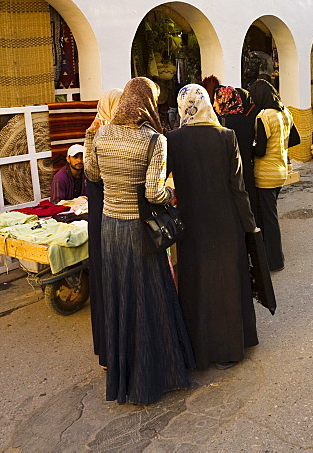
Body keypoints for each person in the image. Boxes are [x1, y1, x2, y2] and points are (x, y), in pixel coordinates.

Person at [84, 77, 193, 405]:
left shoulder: (102, 134)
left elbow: (92, 175)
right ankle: (156, 374)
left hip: (109, 228)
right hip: (139, 230)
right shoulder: (153, 140)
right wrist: (171, 193)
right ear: (149, 103)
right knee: (149, 297)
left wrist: (90, 136)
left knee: (120, 295)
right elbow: (153, 193)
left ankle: (125, 375)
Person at [168, 85, 259, 370]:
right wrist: (249, 223)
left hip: (191, 224)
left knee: (196, 283)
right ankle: (230, 349)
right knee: (226, 282)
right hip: (225, 222)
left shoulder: (172, 139)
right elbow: (238, 186)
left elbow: (164, 184)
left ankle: (199, 350)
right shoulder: (226, 136)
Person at [85, 88, 122, 369]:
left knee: (106, 283)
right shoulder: (106, 137)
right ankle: (115, 350)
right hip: (112, 219)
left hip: (99, 217)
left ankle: (109, 352)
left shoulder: (95, 134)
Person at [249, 79, 297, 271]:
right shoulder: (285, 112)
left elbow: (260, 150)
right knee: (270, 215)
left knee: (269, 219)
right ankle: (272, 257)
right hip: (281, 170)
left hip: (265, 174)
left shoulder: (264, 116)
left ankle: (275, 261)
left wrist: (248, 150)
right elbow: (295, 138)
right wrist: (280, 147)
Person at [214, 86, 257, 216]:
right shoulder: (247, 120)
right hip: (247, 171)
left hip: (231, 174)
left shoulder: (222, 124)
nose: (214, 104)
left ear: (224, 100)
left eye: (216, 100)